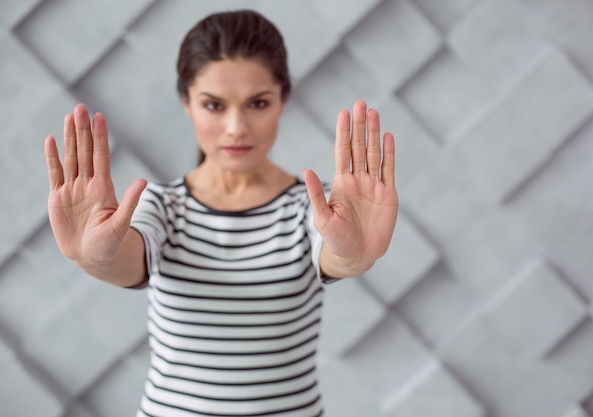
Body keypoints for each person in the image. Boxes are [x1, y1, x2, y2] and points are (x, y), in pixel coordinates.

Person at [44, 9, 398, 417]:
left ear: (283, 99)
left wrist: (356, 253)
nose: (236, 127)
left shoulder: (315, 209)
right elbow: (124, 258)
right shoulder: (162, 206)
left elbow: (338, 251)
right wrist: (95, 257)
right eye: (213, 105)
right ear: (186, 103)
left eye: (257, 103)